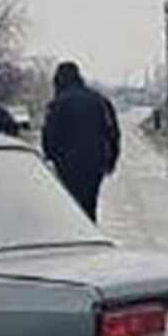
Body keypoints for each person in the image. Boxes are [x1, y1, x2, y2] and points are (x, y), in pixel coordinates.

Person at [40, 61, 121, 221]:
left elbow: (49, 136)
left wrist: (50, 158)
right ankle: (90, 232)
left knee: (68, 206)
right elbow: (113, 133)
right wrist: (111, 161)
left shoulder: (58, 104)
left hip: (66, 165)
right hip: (95, 164)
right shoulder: (100, 101)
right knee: (89, 204)